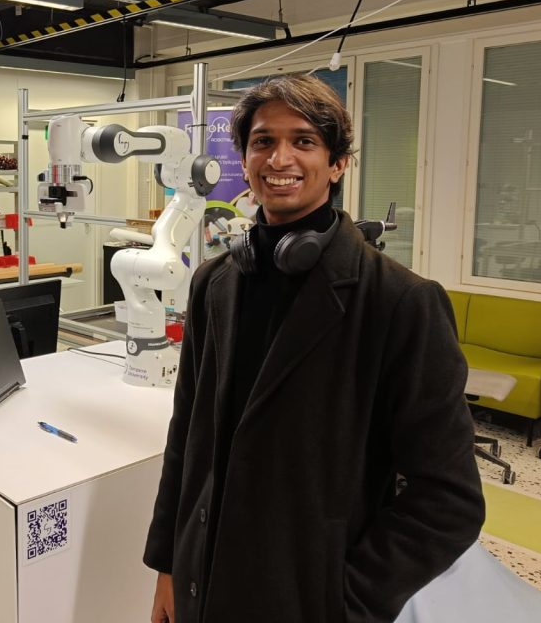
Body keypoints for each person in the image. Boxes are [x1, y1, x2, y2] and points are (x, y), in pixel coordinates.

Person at [144, 74, 485, 623]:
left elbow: (449, 500)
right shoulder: (215, 283)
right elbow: (187, 439)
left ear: (338, 163)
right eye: (263, 140)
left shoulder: (400, 302)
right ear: (245, 156)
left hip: (302, 599)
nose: (280, 158)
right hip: (202, 585)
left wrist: (344, 603)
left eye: (303, 141)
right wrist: (168, 562)